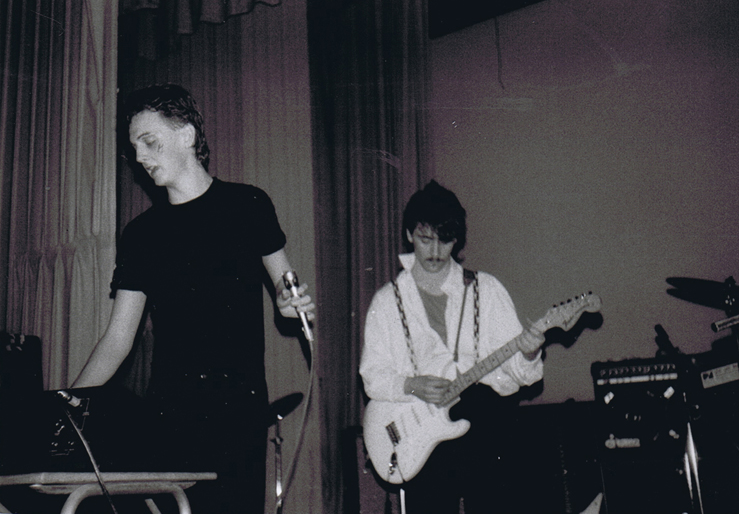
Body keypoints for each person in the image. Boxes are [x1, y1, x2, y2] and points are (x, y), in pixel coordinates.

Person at [72, 84, 315, 513]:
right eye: (134, 147)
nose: (140, 157)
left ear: (186, 135)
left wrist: (287, 303)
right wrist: (69, 404)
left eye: (149, 141)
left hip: (239, 412)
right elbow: (118, 339)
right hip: (171, 413)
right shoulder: (141, 235)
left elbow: (285, 283)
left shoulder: (249, 205)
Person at [359, 180, 544, 514]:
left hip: (486, 428)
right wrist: (411, 385)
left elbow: (522, 374)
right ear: (408, 234)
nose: (435, 251)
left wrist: (529, 352)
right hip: (423, 438)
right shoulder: (386, 303)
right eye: (425, 238)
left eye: (445, 240)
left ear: (456, 239)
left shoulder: (486, 290)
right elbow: (372, 377)